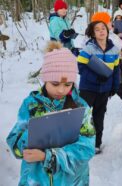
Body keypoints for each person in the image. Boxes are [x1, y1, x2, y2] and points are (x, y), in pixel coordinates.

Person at [6, 41, 95, 186]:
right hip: (36, 179)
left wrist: (48, 156)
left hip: (71, 181)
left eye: (67, 84)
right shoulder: (30, 104)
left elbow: (87, 148)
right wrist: (35, 131)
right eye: (55, 83)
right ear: (45, 79)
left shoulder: (80, 106)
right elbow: (14, 144)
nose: (61, 90)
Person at [77, 21, 120, 154]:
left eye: (103, 28)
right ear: (92, 33)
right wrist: (96, 78)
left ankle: (96, 143)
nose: (101, 31)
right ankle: (79, 142)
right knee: (83, 115)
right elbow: (81, 67)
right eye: (97, 29)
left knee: (99, 116)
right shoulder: (88, 49)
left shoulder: (114, 50)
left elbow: (116, 69)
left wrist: (114, 86)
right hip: (88, 89)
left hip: (104, 90)